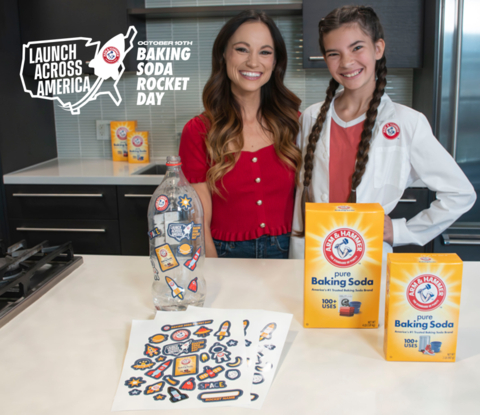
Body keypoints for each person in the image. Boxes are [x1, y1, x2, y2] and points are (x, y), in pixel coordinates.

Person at [289, 5, 476, 258]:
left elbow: (460, 193)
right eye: (334, 53)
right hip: (310, 256)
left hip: (369, 259)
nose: (346, 62)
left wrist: (399, 232)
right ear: (325, 60)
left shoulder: (407, 122)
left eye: (357, 48)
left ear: (378, 48)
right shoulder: (311, 117)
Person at [179, 10, 301, 259]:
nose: (253, 62)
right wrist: (212, 266)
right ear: (223, 54)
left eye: (265, 52)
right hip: (225, 253)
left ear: (275, 62)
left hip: (290, 251)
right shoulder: (198, 130)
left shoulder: (296, 124)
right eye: (242, 49)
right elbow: (198, 212)